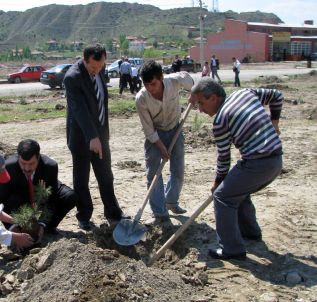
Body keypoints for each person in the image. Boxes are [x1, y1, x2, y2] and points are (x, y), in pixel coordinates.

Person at [189, 78, 283, 260]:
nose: (200, 109)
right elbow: (277, 96)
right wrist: (275, 121)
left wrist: (217, 183)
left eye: (201, 103)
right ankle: (250, 233)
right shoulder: (245, 93)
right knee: (236, 188)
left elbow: (224, 159)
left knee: (223, 197)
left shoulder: (220, 121)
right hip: (276, 160)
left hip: (259, 164)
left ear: (214, 98)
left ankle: (232, 249)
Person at [63, 44, 127, 231]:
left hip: (100, 135)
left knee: (106, 176)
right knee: (81, 180)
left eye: (100, 67)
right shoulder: (72, 78)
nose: (97, 70)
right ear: (84, 60)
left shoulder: (99, 69)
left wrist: (101, 136)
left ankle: (113, 213)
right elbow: (80, 110)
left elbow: (100, 103)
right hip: (81, 138)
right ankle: (84, 216)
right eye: (93, 67)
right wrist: (92, 137)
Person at [135, 60, 194, 224]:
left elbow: (190, 82)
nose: (149, 88)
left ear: (161, 77)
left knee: (178, 170)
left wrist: (194, 92)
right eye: (146, 84)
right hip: (155, 135)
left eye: (153, 83)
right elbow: (148, 130)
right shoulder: (141, 98)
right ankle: (160, 213)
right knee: (153, 174)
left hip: (175, 128)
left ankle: (171, 202)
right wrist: (160, 146)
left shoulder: (174, 81)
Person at [0, 139, 78, 239]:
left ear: (38, 158)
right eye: (23, 163)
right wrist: (12, 227)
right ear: (18, 157)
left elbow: (52, 198)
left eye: (31, 164)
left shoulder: (50, 166)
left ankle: (47, 228)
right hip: (19, 202)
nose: (27, 168)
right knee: (12, 200)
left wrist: (43, 223)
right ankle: (22, 228)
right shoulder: (8, 167)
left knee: (70, 196)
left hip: (42, 195)